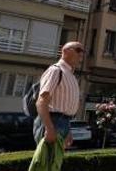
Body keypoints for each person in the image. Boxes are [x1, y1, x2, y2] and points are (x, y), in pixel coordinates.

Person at [28, 41, 84, 171]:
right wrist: (49, 127)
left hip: (62, 122)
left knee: (54, 165)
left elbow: (65, 109)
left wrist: (68, 129)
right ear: (65, 51)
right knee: (44, 165)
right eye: (78, 50)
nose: (82, 54)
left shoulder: (70, 74)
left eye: (83, 51)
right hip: (52, 121)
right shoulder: (55, 70)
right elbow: (42, 101)